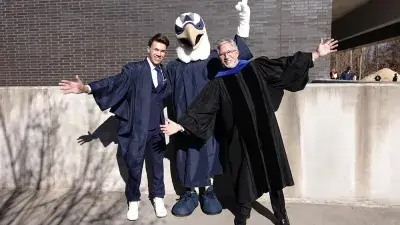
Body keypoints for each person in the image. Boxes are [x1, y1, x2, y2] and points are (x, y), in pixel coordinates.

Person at [161, 38, 338, 225]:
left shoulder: (256, 67)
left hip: (265, 133)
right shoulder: (218, 83)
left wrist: (316, 54)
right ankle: (243, 214)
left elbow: (284, 65)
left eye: (229, 52)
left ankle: (281, 214)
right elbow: (202, 109)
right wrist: (180, 126)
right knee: (242, 178)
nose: (226, 56)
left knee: (274, 176)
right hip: (239, 140)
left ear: (237, 52)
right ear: (219, 58)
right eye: (222, 54)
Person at [59, 33, 170, 221]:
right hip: (137, 129)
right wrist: (87, 88)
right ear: (148, 49)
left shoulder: (164, 72)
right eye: (156, 49)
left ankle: (158, 198)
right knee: (134, 167)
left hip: (157, 130)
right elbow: (112, 82)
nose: (158, 54)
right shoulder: (134, 70)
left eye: (162, 51)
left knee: (157, 167)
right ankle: (133, 201)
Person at [166, 0, 253, 217]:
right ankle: (189, 193)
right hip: (182, 124)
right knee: (187, 154)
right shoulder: (174, 67)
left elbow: (235, 54)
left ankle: (209, 191)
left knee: (209, 153)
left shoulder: (213, 61)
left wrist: (244, 20)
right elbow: (157, 90)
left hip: (210, 125)